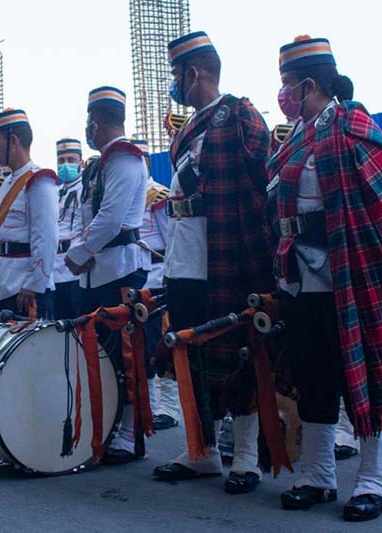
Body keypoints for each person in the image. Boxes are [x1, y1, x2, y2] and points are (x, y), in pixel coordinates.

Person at [268, 36, 382, 521]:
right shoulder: (296, 137)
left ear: (309, 83)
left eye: (286, 83)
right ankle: (318, 474)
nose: (281, 93)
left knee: (361, 376)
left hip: (351, 279)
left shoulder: (354, 126)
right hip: (300, 281)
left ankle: (375, 480)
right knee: (314, 377)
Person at [151, 31, 276, 495]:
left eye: (175, 74)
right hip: (184, 257)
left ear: (194, 73)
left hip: (226, 254)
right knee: (190, 356)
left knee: (236, 356)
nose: (173, 83)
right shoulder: (188, 128)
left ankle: (245, 457)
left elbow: (258, 189)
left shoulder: (240, 115)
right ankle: (200, 451)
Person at [65, 86, 151, 465]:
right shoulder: (100, 163)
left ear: (96, 122)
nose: (88, 128)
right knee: (101, 355)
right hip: (97, 273)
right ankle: (106, 425)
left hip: (119, 271)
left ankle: (129, 434)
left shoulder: (125, 159)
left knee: (126, 356)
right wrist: (82, 256)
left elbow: (112, 218)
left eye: (89, 121)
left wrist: (80, 253)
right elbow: (88, 218)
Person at [131, 137, 180, 431]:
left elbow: (169, 240)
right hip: (137, 280)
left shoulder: (158, 196)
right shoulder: (132, 196)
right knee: (142, 346)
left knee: (162, 345)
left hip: (157, 278)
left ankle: (170, 407)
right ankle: (148, 404)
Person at [0, 109, 58, 319]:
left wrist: (34, 284)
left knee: (31, 350)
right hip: (5, 284)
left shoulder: (39, 181)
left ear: (13, 141)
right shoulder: (7, 183)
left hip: (25, 290)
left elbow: (46, 237)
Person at [53, 138, 84, 320]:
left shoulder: (86, 189)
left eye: (71, 160)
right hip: (55, 270)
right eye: (61, 160)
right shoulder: (53, 192)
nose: (65, 165)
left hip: (76, 269)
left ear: (81, 162)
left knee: (81, 326)